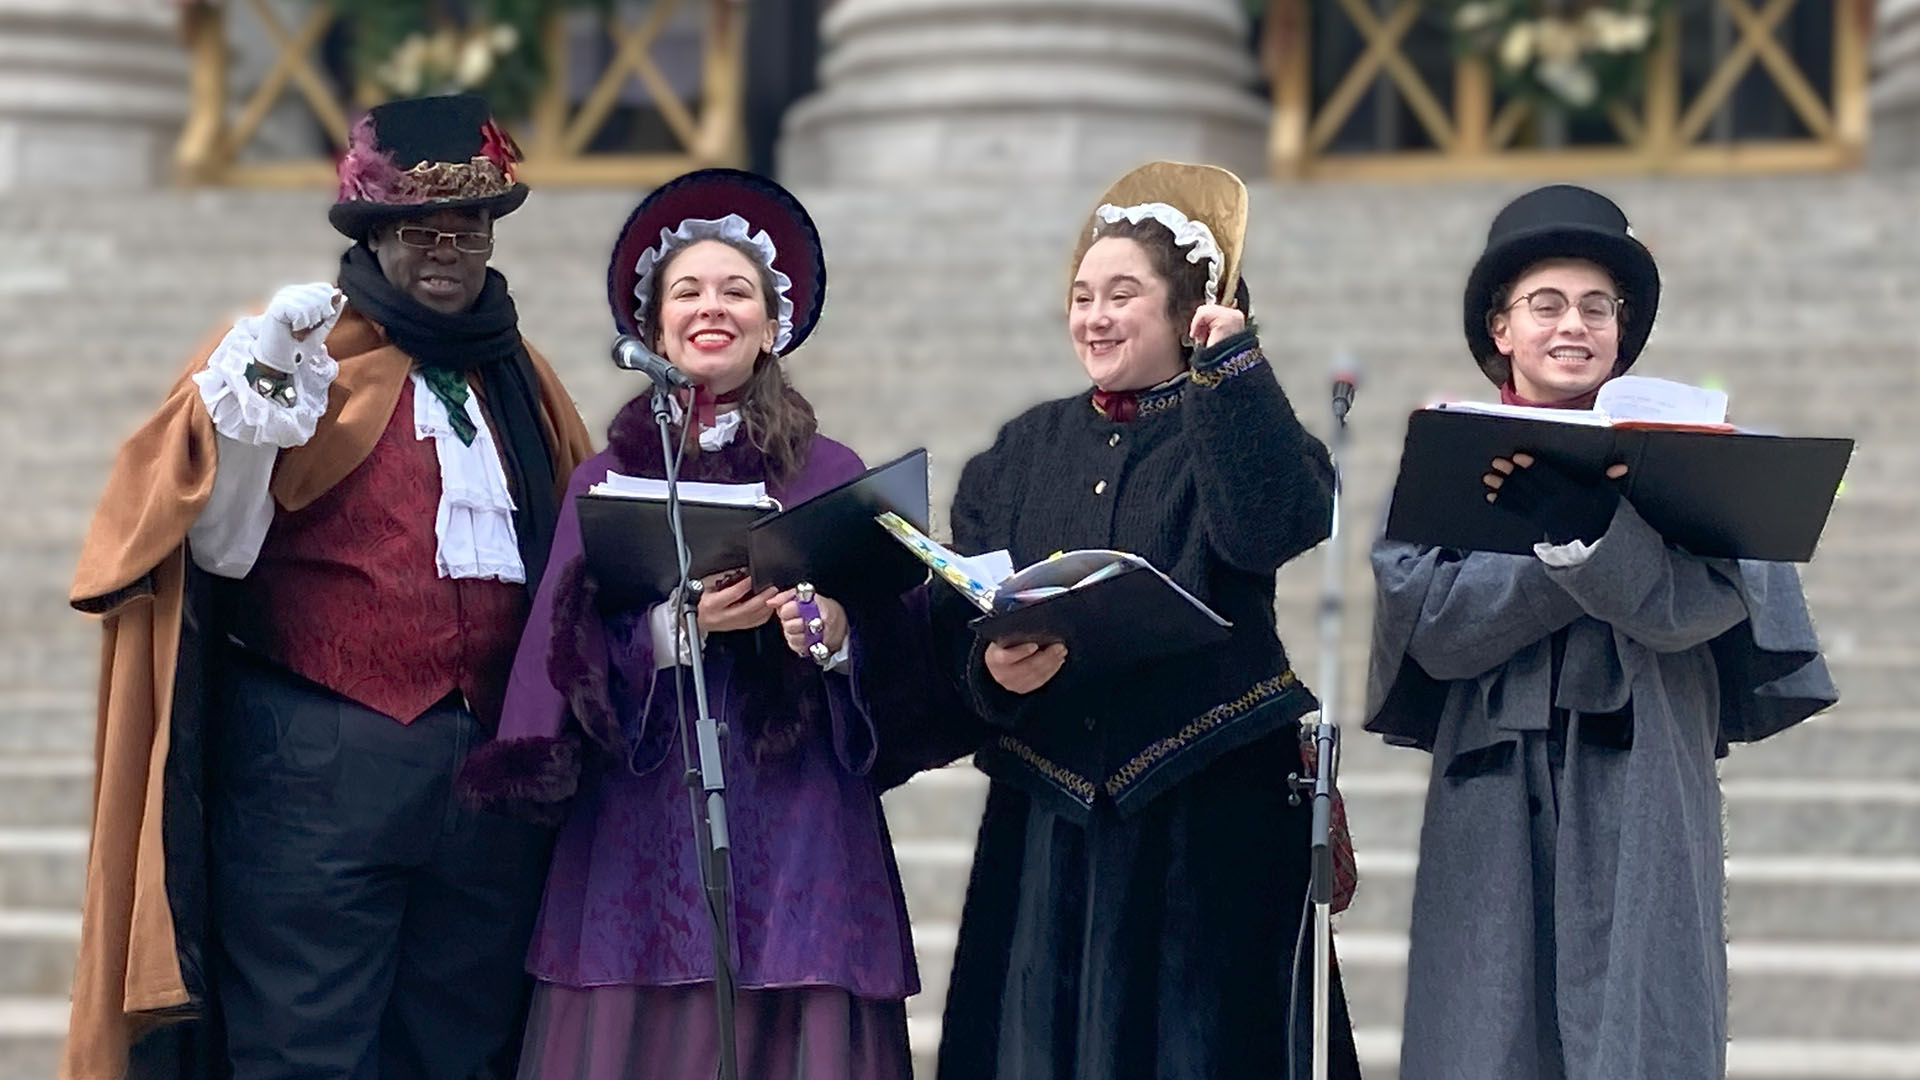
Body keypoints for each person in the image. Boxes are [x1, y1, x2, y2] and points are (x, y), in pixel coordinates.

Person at [63, 92, 594, 1079]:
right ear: (374, 234)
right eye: (415, 228)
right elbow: (216, 548)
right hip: (312, 778)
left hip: (485, 789)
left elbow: (574, 567)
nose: (444, 249)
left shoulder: (526, 381)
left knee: (463, 1050)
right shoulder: (294, 360)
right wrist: (256, 402)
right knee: (305, 1053)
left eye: (467, 228)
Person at [1365, 184, 1839, 1080]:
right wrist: (1565, 545)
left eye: (1597, 307)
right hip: (1491, 776)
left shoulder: (1695, 451)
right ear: (1501, 329)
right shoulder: (1448, 456)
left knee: (1642, 1027)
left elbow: (1695, 609)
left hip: (1649, 762)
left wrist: (1593, 536)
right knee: (1485, 1028)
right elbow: (1437, 635)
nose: (1572, 326)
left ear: (1621, 329)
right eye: (1545, 305)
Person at [457, 168, 922, 1080]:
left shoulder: (833, 474)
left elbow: (905, 650)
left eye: (737, 291)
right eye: (688, 291)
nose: (712, 307)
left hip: (799, 828)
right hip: (640, 823)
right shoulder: (602, 481)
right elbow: (557, 666)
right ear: (654, 324)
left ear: (771, 323)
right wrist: (674, 632)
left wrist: (830, 638)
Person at [903, 161, 1363, 1079]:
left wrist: (1230, 368)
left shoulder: (1234, 416)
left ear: (1189, 307)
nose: (1095, 316)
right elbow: (959, 622)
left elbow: (1276, 523)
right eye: (1082, 296)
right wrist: (992, 672)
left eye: (1124, 295)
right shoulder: (1019, 452)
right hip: (1050, 826)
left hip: (1210, 812)